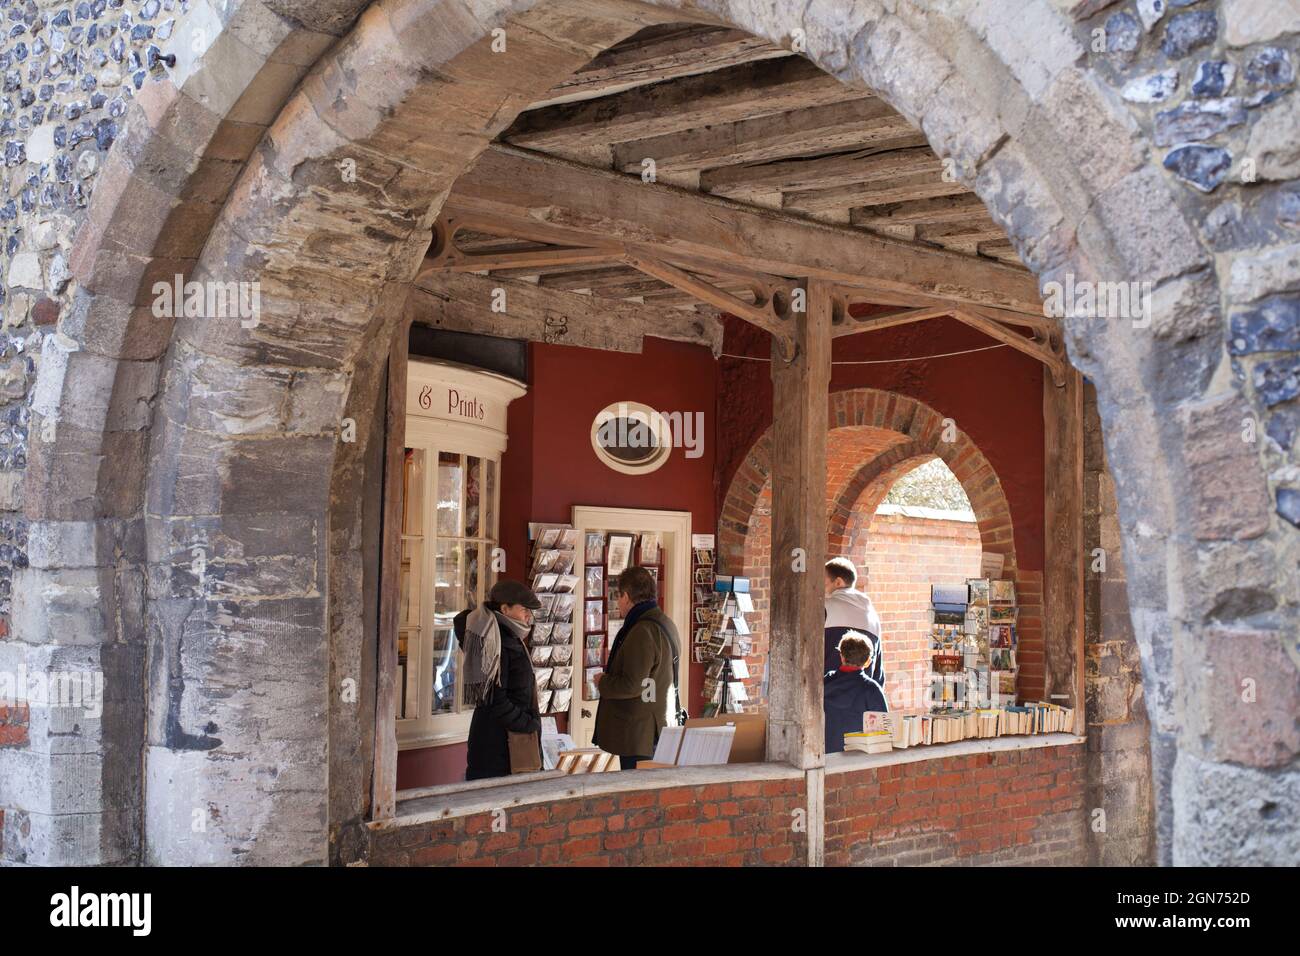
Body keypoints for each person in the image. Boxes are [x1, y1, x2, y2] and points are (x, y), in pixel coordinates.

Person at [592, 565, 681, 770]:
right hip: (658, 727)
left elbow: (633, 684)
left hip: (640, 733)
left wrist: (602, 682)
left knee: (636, 796)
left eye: (618, 597)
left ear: (625, 596)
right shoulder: (666, 623)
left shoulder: (642, 630)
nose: (618, 604)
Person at [453, 580, 543, 781]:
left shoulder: (507, 635)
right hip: (497, 745)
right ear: (505, 608)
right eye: (524, 610)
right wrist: (529, 724)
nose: (529, 616)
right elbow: (494, 700)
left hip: (508, 741)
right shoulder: (493, 643)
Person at [824, 556, 885, 687]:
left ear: (838, 582)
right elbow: (878, 672)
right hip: (862, 698)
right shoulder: (873, 616)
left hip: (828, 696)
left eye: (824, 581)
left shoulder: (825, 607)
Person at [823, 632, 888, 754]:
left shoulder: (825, 683)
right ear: (868, 661)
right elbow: (883, 731)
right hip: (858, 759)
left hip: (825, 755)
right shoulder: (872, 690)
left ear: (841, 656)